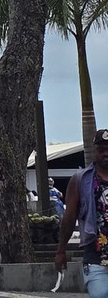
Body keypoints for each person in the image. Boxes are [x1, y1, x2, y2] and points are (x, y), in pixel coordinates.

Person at [56, 128, 108, 298]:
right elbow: (69, 218)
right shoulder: (80, 179)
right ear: (94, 151)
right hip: (95, 256)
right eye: (101, 149)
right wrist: (61, 250)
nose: (105, 153)